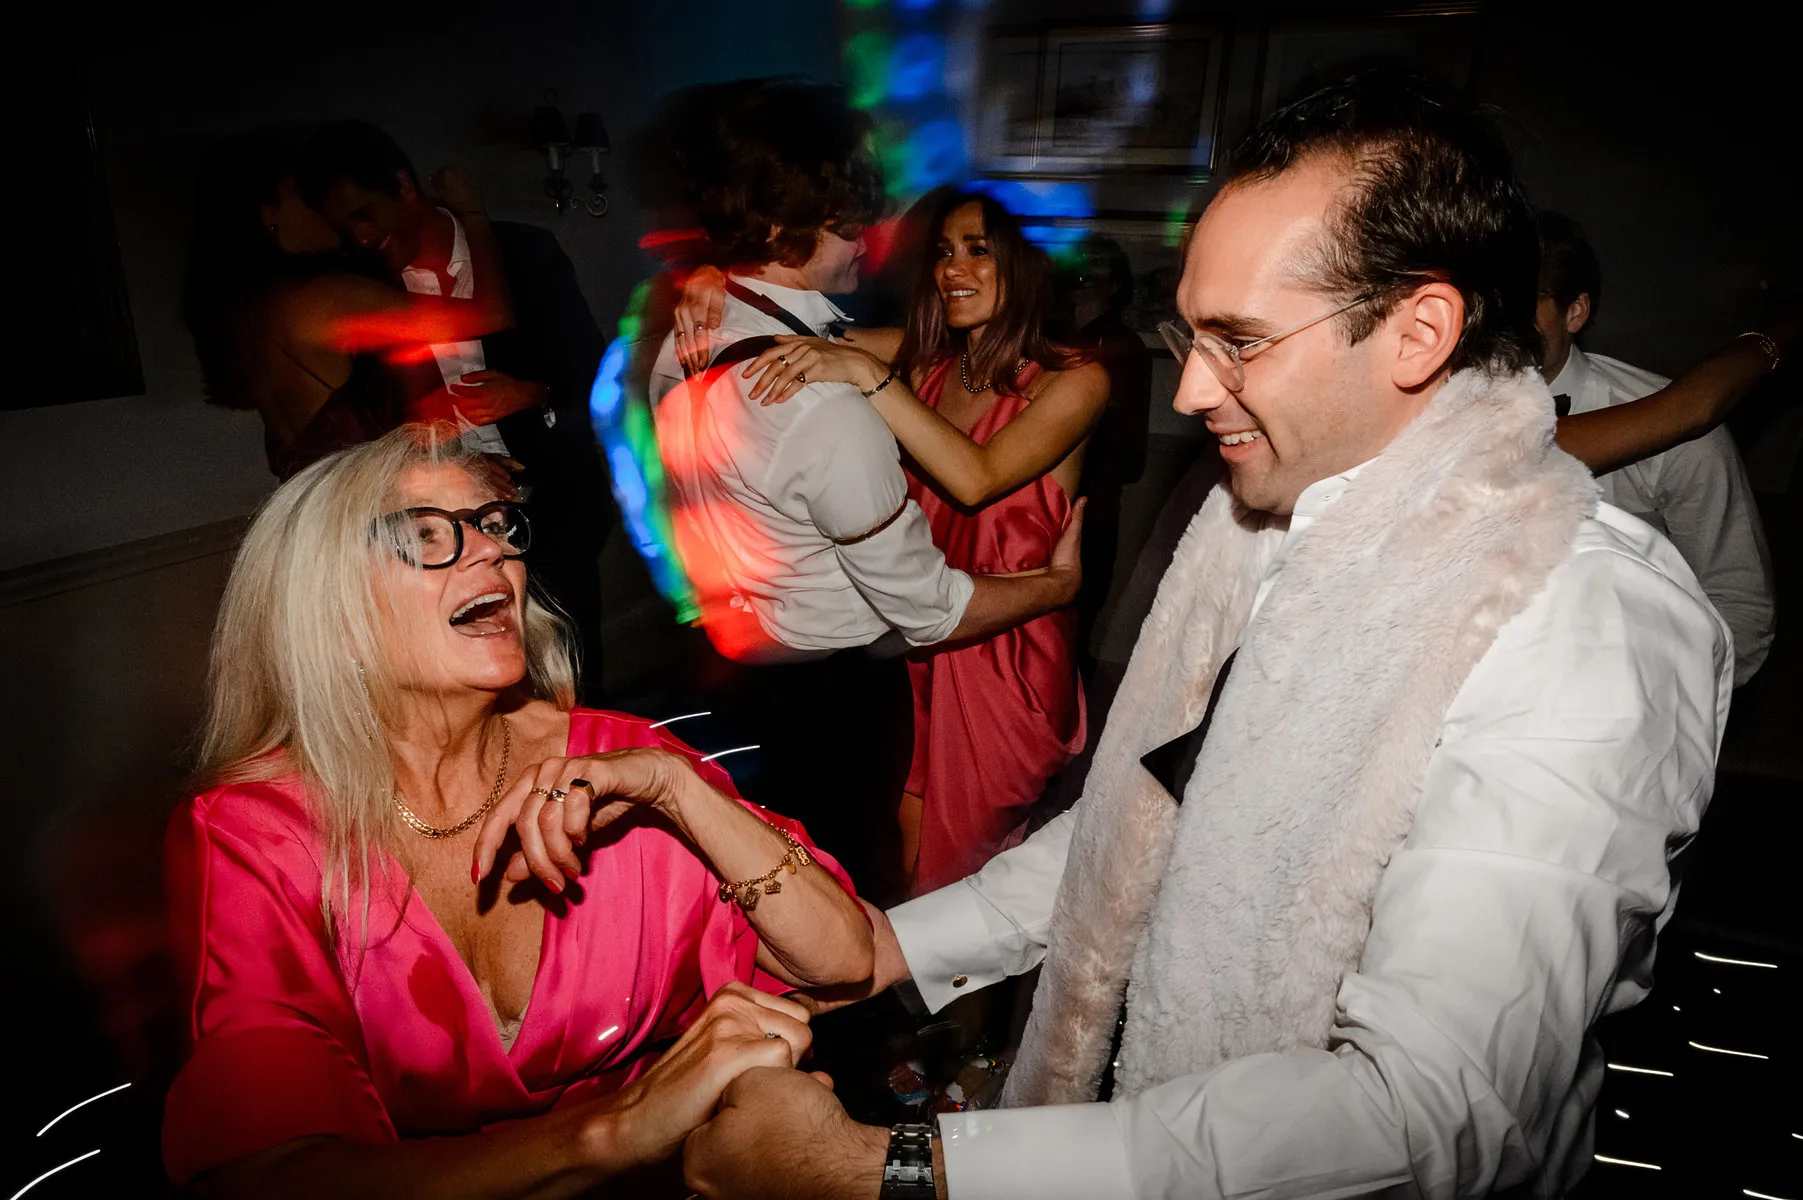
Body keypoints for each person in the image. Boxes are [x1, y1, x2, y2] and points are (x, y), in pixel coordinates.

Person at [679, 71, 1750, 1200]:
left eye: (1239, 340)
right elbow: (1148, 822)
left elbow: (1426, 1113)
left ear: (1419, 331)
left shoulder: (1580, 624)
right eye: (1188, 333)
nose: (1191, 390)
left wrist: (895, 1172)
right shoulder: (1272, 517)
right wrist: (895, 950)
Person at [161, 426, 873, 1195]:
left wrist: (678, 788)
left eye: (495, 525)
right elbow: (272, 1176)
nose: (492, 551)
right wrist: (616, 1129)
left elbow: (841, 962)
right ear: (328, 609)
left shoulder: (613, 762)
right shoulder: (253, 832)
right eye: (424, 535)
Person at [648, 81, 1083, 904]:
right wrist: (1059, 584)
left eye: (978, 249)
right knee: (849, 887)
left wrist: (710, 273)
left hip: (758, 668)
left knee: (844, 869)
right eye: (848, 223)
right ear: (784, 230)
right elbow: (927, 608)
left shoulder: (688, 347)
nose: (870, 242)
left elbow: (942, 423)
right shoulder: (823, 399)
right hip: (857, 678)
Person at [297, 121, 615, 700]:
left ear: (405, 186)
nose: (360, 236)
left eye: (366, 213)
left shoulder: (525, 253)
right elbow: (361, 420)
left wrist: (531, 395)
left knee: (573, 669)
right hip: (438, 525)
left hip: (553, 503)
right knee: (479, 684)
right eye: (346, 226)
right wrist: (434, 446)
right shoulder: (363, 287)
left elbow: (592, 373)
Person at [183, 131, 513, 479]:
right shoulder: (326, 301)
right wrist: (474, 214)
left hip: (322, 508)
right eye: (305, 195)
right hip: (374, 508)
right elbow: (493, 314)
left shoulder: (249, 314)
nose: (324, 208)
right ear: (268, 214)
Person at [1538, 210, 1776, 685]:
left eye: (1518, 302)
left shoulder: (1676, 430)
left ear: (1575, 312)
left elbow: (1742, 611)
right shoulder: (1419, 414)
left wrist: (1650, 707)